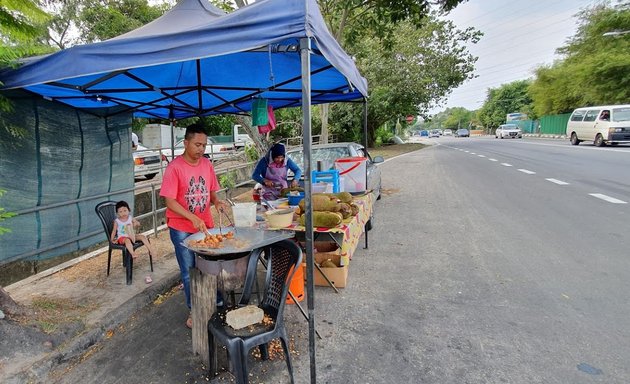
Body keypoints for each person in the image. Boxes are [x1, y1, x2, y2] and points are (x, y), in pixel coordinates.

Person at [159, 123, 227, 329]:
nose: (201, 149)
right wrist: (192, 218)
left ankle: (217, 302)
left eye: (204, 145)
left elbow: (211, 190)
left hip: (206, 225)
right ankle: (195, 309)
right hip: (181, 228)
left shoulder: (206, 164)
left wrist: (217, 202)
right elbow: (170, 201)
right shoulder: (174, 168)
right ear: (186, 143)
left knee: (211, 266)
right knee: (189, 271)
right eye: (197, 144)